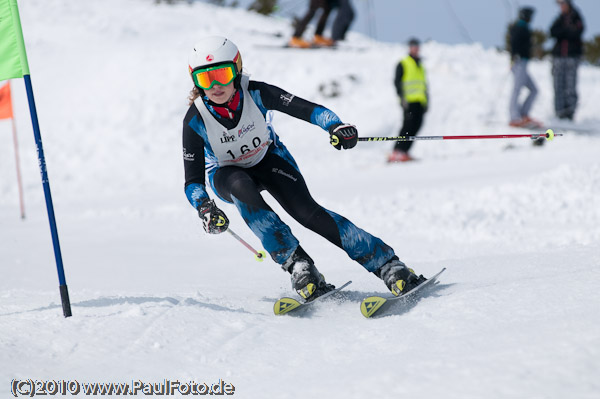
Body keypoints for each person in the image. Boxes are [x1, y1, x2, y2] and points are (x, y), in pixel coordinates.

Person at [183, 36, 426, 300]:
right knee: (243, 188)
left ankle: (388, 265)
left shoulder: (257, 92)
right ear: (195, 81)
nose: (216, 85)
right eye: (206, 79)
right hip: (226, 175)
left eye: (222, 73)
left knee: (308, 213)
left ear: (237, 69)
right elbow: (193, 181)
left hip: (268, 160)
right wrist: (204, 207)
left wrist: (335, 126)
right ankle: (298, 264)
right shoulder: (194, 120)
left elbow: (308, 109)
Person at [388, 38, 428, 163]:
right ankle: (397, 151)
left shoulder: (420, 64)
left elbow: (423, 84)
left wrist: (426, 101)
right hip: (409, 102)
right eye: (413, 46)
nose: (415, 48)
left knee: (416, 127)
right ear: (409, 48)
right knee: (407, 127)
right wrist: (402, 97)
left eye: (417, 46)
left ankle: (405, 152)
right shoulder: (404, 63)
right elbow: (397, 82)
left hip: (420, 101)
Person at [550, 0, 584, 120]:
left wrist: (564, 32)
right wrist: (566, 31)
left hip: (572, 57)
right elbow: (553, 31)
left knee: (570, 85)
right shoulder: (559, 19)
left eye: (563, 4)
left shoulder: (576, 17)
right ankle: (559, 112)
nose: (561, 7)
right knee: (558, 84)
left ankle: (569, 112)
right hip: (559, 56)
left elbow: (577, 32)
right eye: (560, 5)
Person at [508, 7, 540, 131]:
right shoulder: (519, 28)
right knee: (517, 90)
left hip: (524, 63)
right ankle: (514, 117)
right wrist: (513, 57)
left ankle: (523, 114)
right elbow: (514, 44)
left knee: (534, 90)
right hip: (519, 62)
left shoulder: (524, 27)